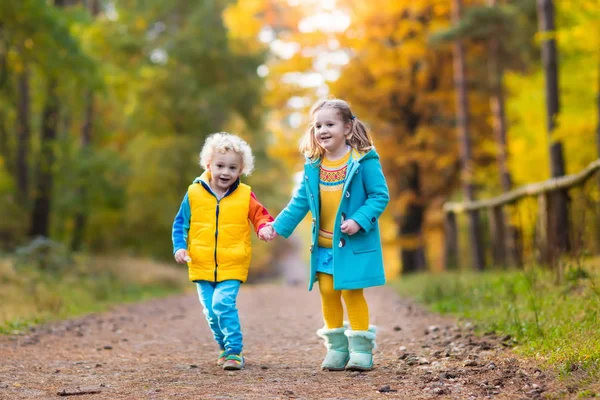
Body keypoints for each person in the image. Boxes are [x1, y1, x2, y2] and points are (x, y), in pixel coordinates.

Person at [263, 98, 390, 371]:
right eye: (318, 125)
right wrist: (276, 226)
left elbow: (380, 196)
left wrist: (359, 220)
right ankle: (336, 349)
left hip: (352, 243)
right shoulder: (313, 165)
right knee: (329, 293)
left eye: (329, 124)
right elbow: (300, 202)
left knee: (352, 293)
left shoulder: (364, 160)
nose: (322, 130)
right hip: (322, 244)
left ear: (347, 127)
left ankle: (361, 350)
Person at [172, 132, 274, 371]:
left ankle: (234, 351)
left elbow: (261, 216)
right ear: (208, 165)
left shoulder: (244, 195)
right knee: (210, 311)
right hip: (200, 262)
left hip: (233, 262)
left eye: (232, 167)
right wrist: (180, 247)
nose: (225, 172)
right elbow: (180, 223)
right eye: (220, 166)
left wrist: (263, 229)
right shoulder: (194, 193)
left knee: (222, 304)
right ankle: (224, 347)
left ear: (241, 170)